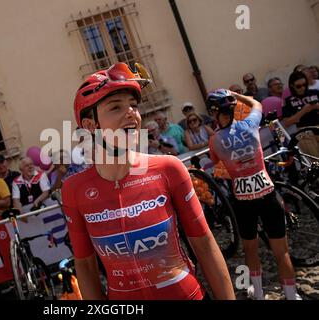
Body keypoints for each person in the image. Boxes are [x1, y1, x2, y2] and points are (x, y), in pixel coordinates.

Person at [62, 62, 235, 300]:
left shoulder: (168, 168)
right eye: (116, 107)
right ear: (91, 126)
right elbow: (85, 266)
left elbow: (204, 245)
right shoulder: (74, 189)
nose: (131, 113)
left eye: (133, 105)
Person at [207, 89, 301, 300]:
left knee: (250, 250)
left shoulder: (214, 140)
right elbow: (256, 103)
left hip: (242, 201)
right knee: (282, 252)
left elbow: (215, 162)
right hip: (267, 194)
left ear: (214, 113)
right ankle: (291, 296)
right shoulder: (251, 123)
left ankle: (258, 295)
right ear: (233, 107)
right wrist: (236, 94)